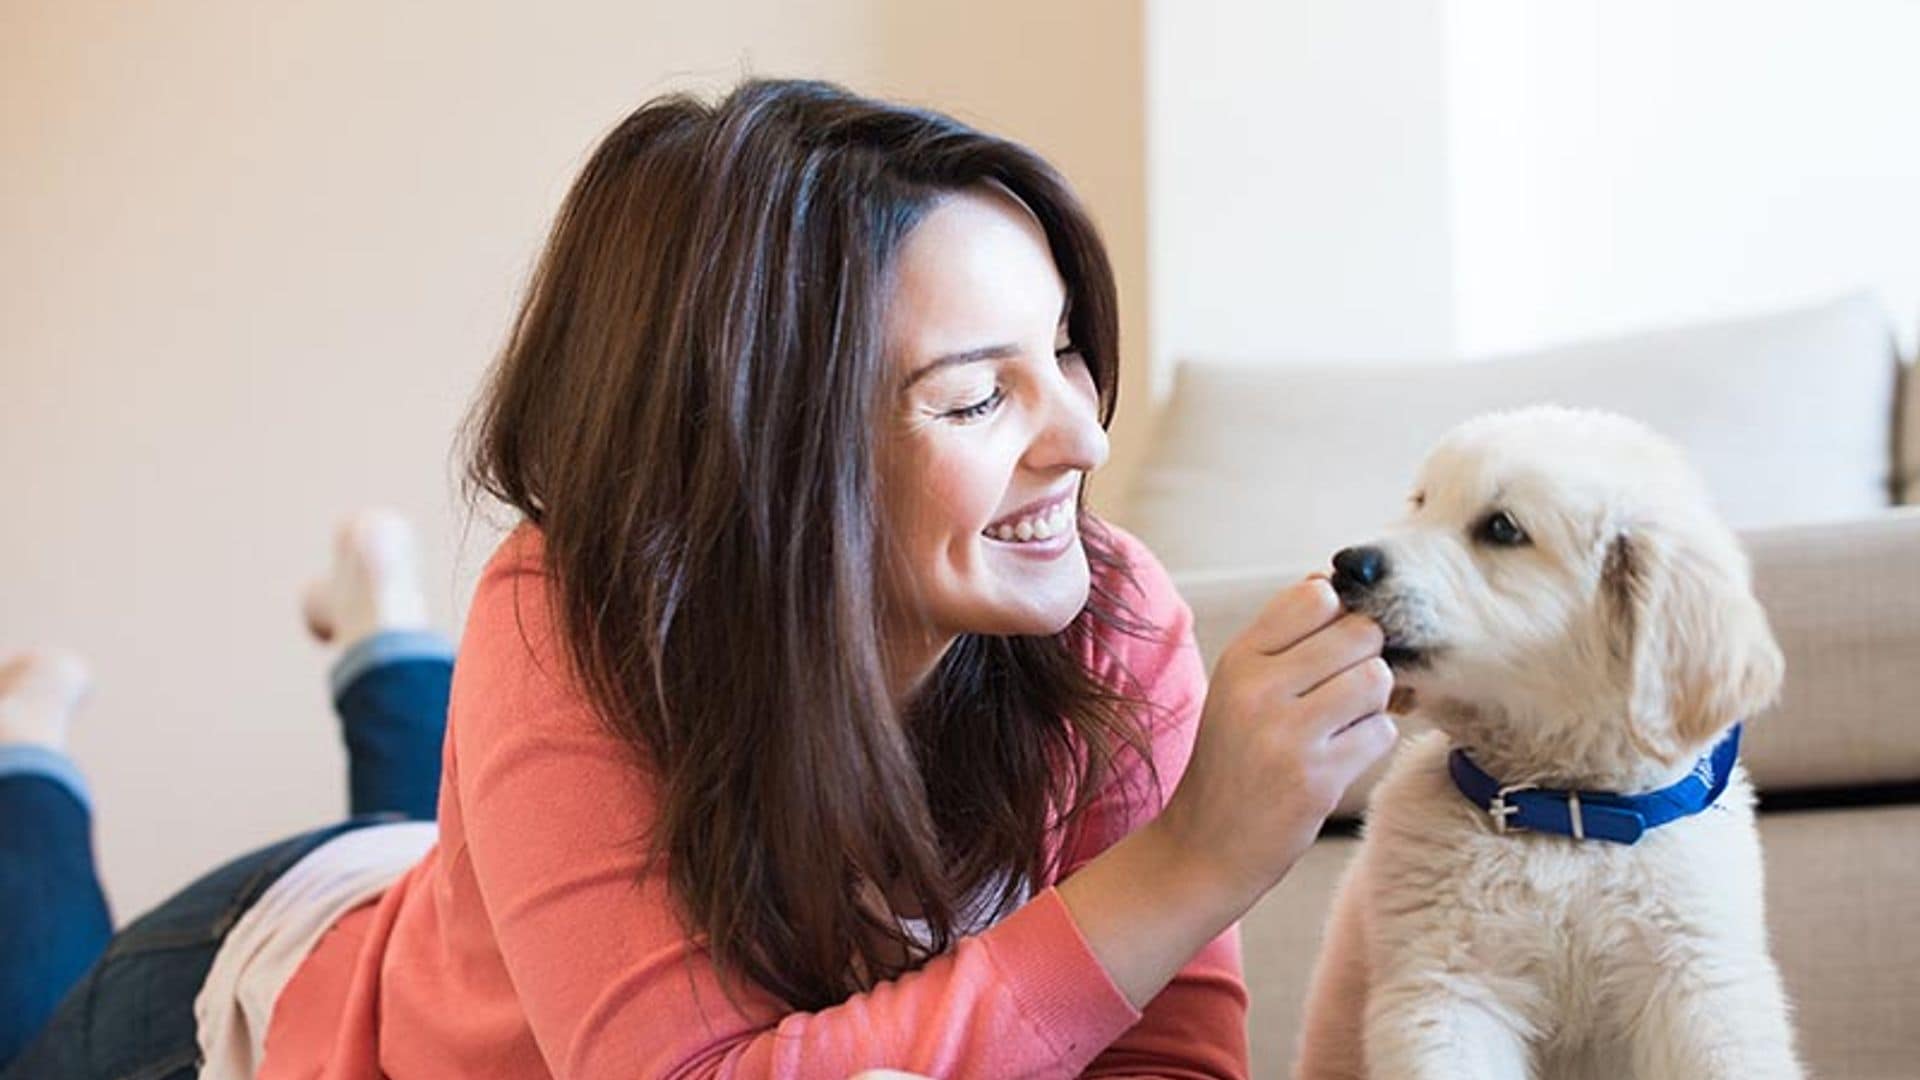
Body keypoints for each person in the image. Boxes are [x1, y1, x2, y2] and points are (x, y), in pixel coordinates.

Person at [0, 78, 1398, 1078]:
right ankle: (32, 746)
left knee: (446, 831)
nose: (1085, 440)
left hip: (458, 901)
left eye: (1067, 353)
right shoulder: (580, 605)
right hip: (248, 1003)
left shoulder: (1110, 609)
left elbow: (1166, 1056)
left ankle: (377, 624)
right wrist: (1193, 861)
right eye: (979, 399)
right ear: (770, 447)